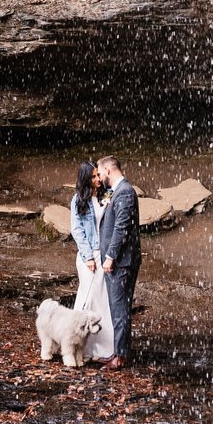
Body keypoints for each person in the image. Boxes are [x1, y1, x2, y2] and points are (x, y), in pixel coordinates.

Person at [90, 155, 141, 367]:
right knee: (116, 307)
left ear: (109, 170)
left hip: (122, 261)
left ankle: (121, 356)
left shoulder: (126, 192)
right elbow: (102, 207)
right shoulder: (114, 191)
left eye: (101, 173)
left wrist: (110, 257)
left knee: (120, 308)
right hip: (117, 261)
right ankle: (118, 351)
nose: (100, 177)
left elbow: (121, 228)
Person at [67, 159, 118, 362]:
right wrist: (88, 256)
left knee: (101, 299)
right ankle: (75, 344)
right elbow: (77, 231)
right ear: (86, 179)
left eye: (98, 175)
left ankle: (103, 348)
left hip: (104, 254)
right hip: (88, 256)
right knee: (87, 298)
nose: (98, 179)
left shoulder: (107, 194)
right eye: (94, 176)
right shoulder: (78, 200)